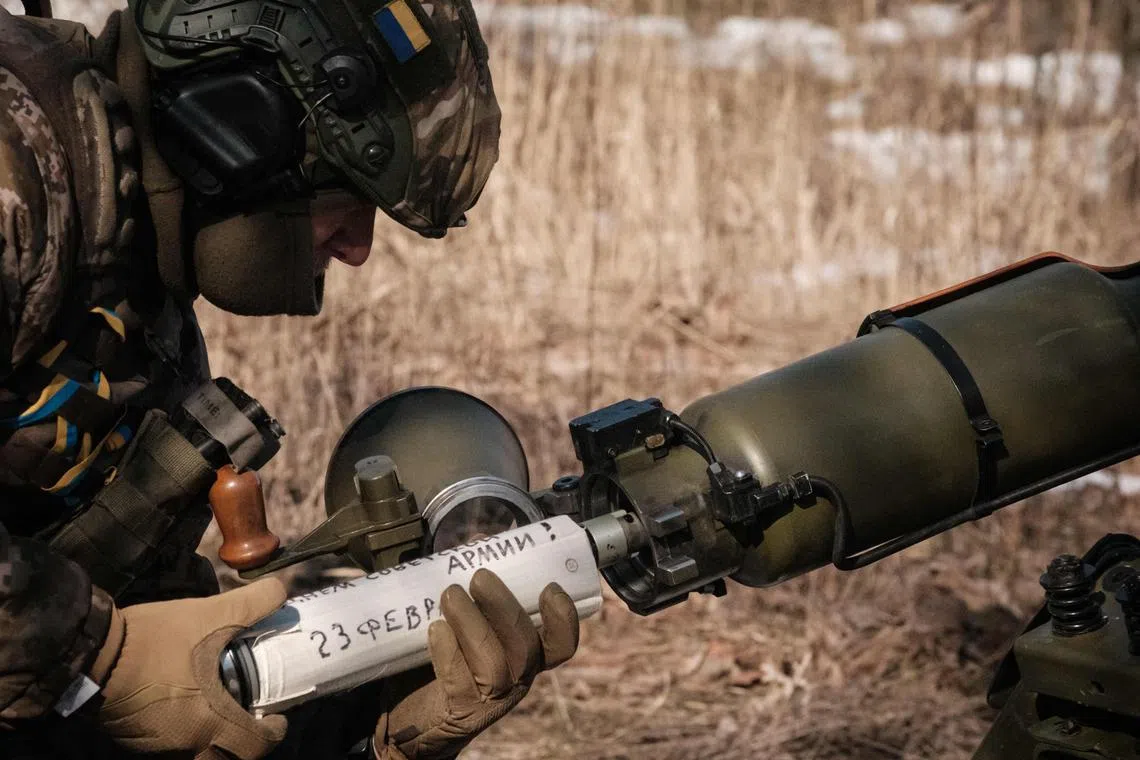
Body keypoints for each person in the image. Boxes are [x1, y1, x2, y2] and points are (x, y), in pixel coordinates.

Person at [0, 1, 580, 758]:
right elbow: (98, 665)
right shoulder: (19, 154)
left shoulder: (142, 307)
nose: (359, 248)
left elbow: (145, 706)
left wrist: (364, 724)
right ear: (237, 122)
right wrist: (99, 651)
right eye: (346, 194)